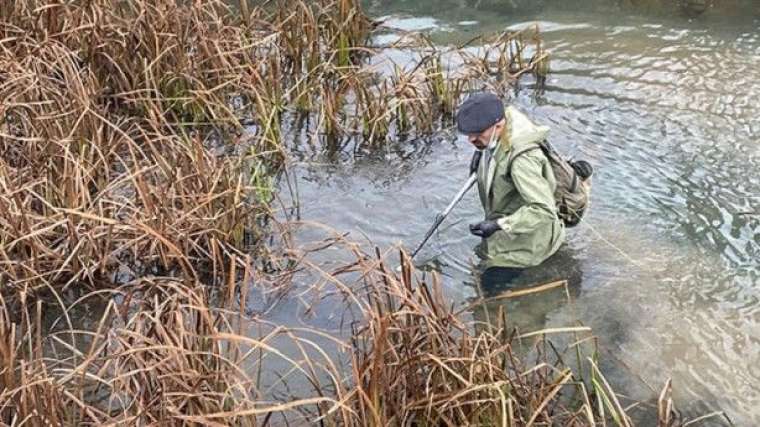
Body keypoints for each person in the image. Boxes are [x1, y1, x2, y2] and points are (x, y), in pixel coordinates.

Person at [455, 91, 565, 289]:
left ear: (498, 126)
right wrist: (481, 153)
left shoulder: (522, 160)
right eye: (469, 134)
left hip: (524, 248)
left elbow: (543, 210)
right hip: (510, 237)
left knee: (488, 294)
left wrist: (498, 225)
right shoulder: (501, 126)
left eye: (478, 134)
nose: (471, 139)